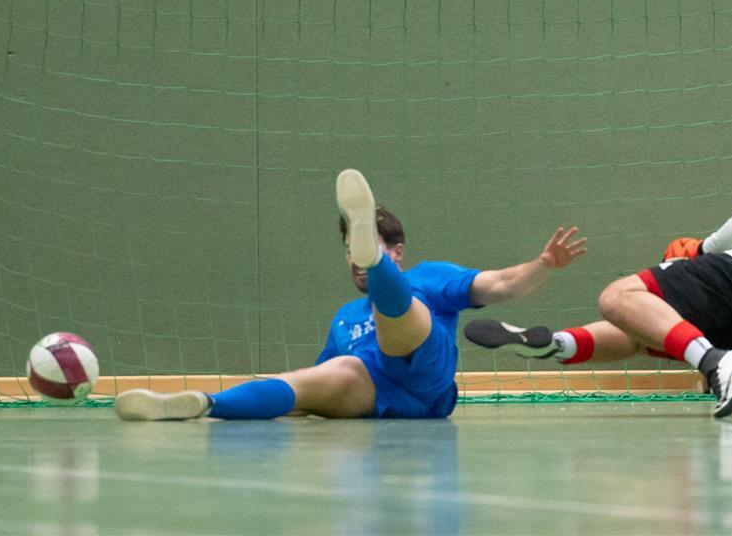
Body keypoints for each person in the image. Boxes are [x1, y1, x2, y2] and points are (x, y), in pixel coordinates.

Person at [465, 84, 732, 417]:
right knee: (645, 328)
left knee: (620, 297)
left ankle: (713, 360)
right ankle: (555, 344)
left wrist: (701, 251)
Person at [114, 169, 586, 421]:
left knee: (404, 313)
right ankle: (201, 403)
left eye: (367, 249)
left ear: (398, 252)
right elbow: (313, 387)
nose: (352, 259)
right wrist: (282, 402)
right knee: (322, 373)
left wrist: (544, 264)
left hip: (426, 374)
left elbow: (500, 284)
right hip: (376, 393)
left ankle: (385, 276)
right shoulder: (343, 317)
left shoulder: (430, 275)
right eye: (353, 250)